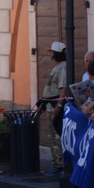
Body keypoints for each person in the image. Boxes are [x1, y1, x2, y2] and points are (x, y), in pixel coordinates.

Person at [41, 41, 67, 175]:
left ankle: (59, 165)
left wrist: (59, 106)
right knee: (52, 136)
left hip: (55, 106)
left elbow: (63, 89)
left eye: (52, 52)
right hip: (50, 105)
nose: (50, 55)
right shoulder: (58, 67)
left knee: (55, 136)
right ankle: (57, 163)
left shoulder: (63, 68)